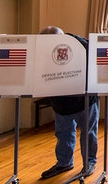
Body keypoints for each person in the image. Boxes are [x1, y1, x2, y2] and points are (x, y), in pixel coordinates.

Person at [39, 26, 100, 179]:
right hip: (61, 100)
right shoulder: (42, 48)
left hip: (85, 99)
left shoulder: (81, 44)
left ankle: (89, 163)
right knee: (63, 133)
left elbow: (97, 62)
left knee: (88, 133)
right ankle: (64, 163)